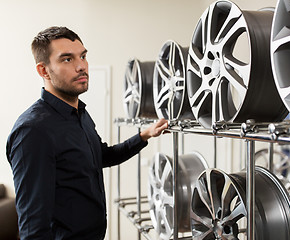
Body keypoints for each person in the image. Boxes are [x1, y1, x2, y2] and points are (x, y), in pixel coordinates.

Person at [6, 26, 168, 240]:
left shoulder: (80, 113)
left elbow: (102, 156)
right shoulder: (32, 131)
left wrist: (143, 136)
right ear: (44, 71)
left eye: (83, 56)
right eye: (67, 59)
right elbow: (33, 228)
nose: (81, 66)